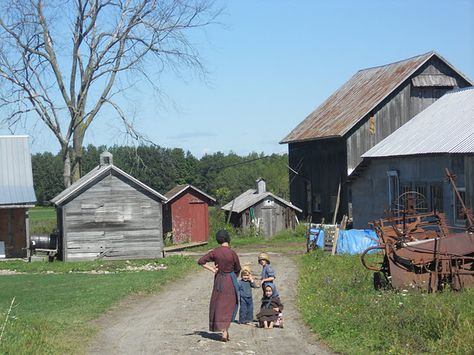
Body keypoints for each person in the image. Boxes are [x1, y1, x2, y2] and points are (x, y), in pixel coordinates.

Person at [198, 230, 241, 342]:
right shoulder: (232, 253)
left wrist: (212, 269)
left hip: (219, 281)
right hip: (230, 280)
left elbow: (201, 261)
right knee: (229, 305)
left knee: (219, 305)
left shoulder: (215, 252)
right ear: (228, 239)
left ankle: (223, 332)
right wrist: (234, 278)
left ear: (218, 240)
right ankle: (225, 331)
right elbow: (238, 269)